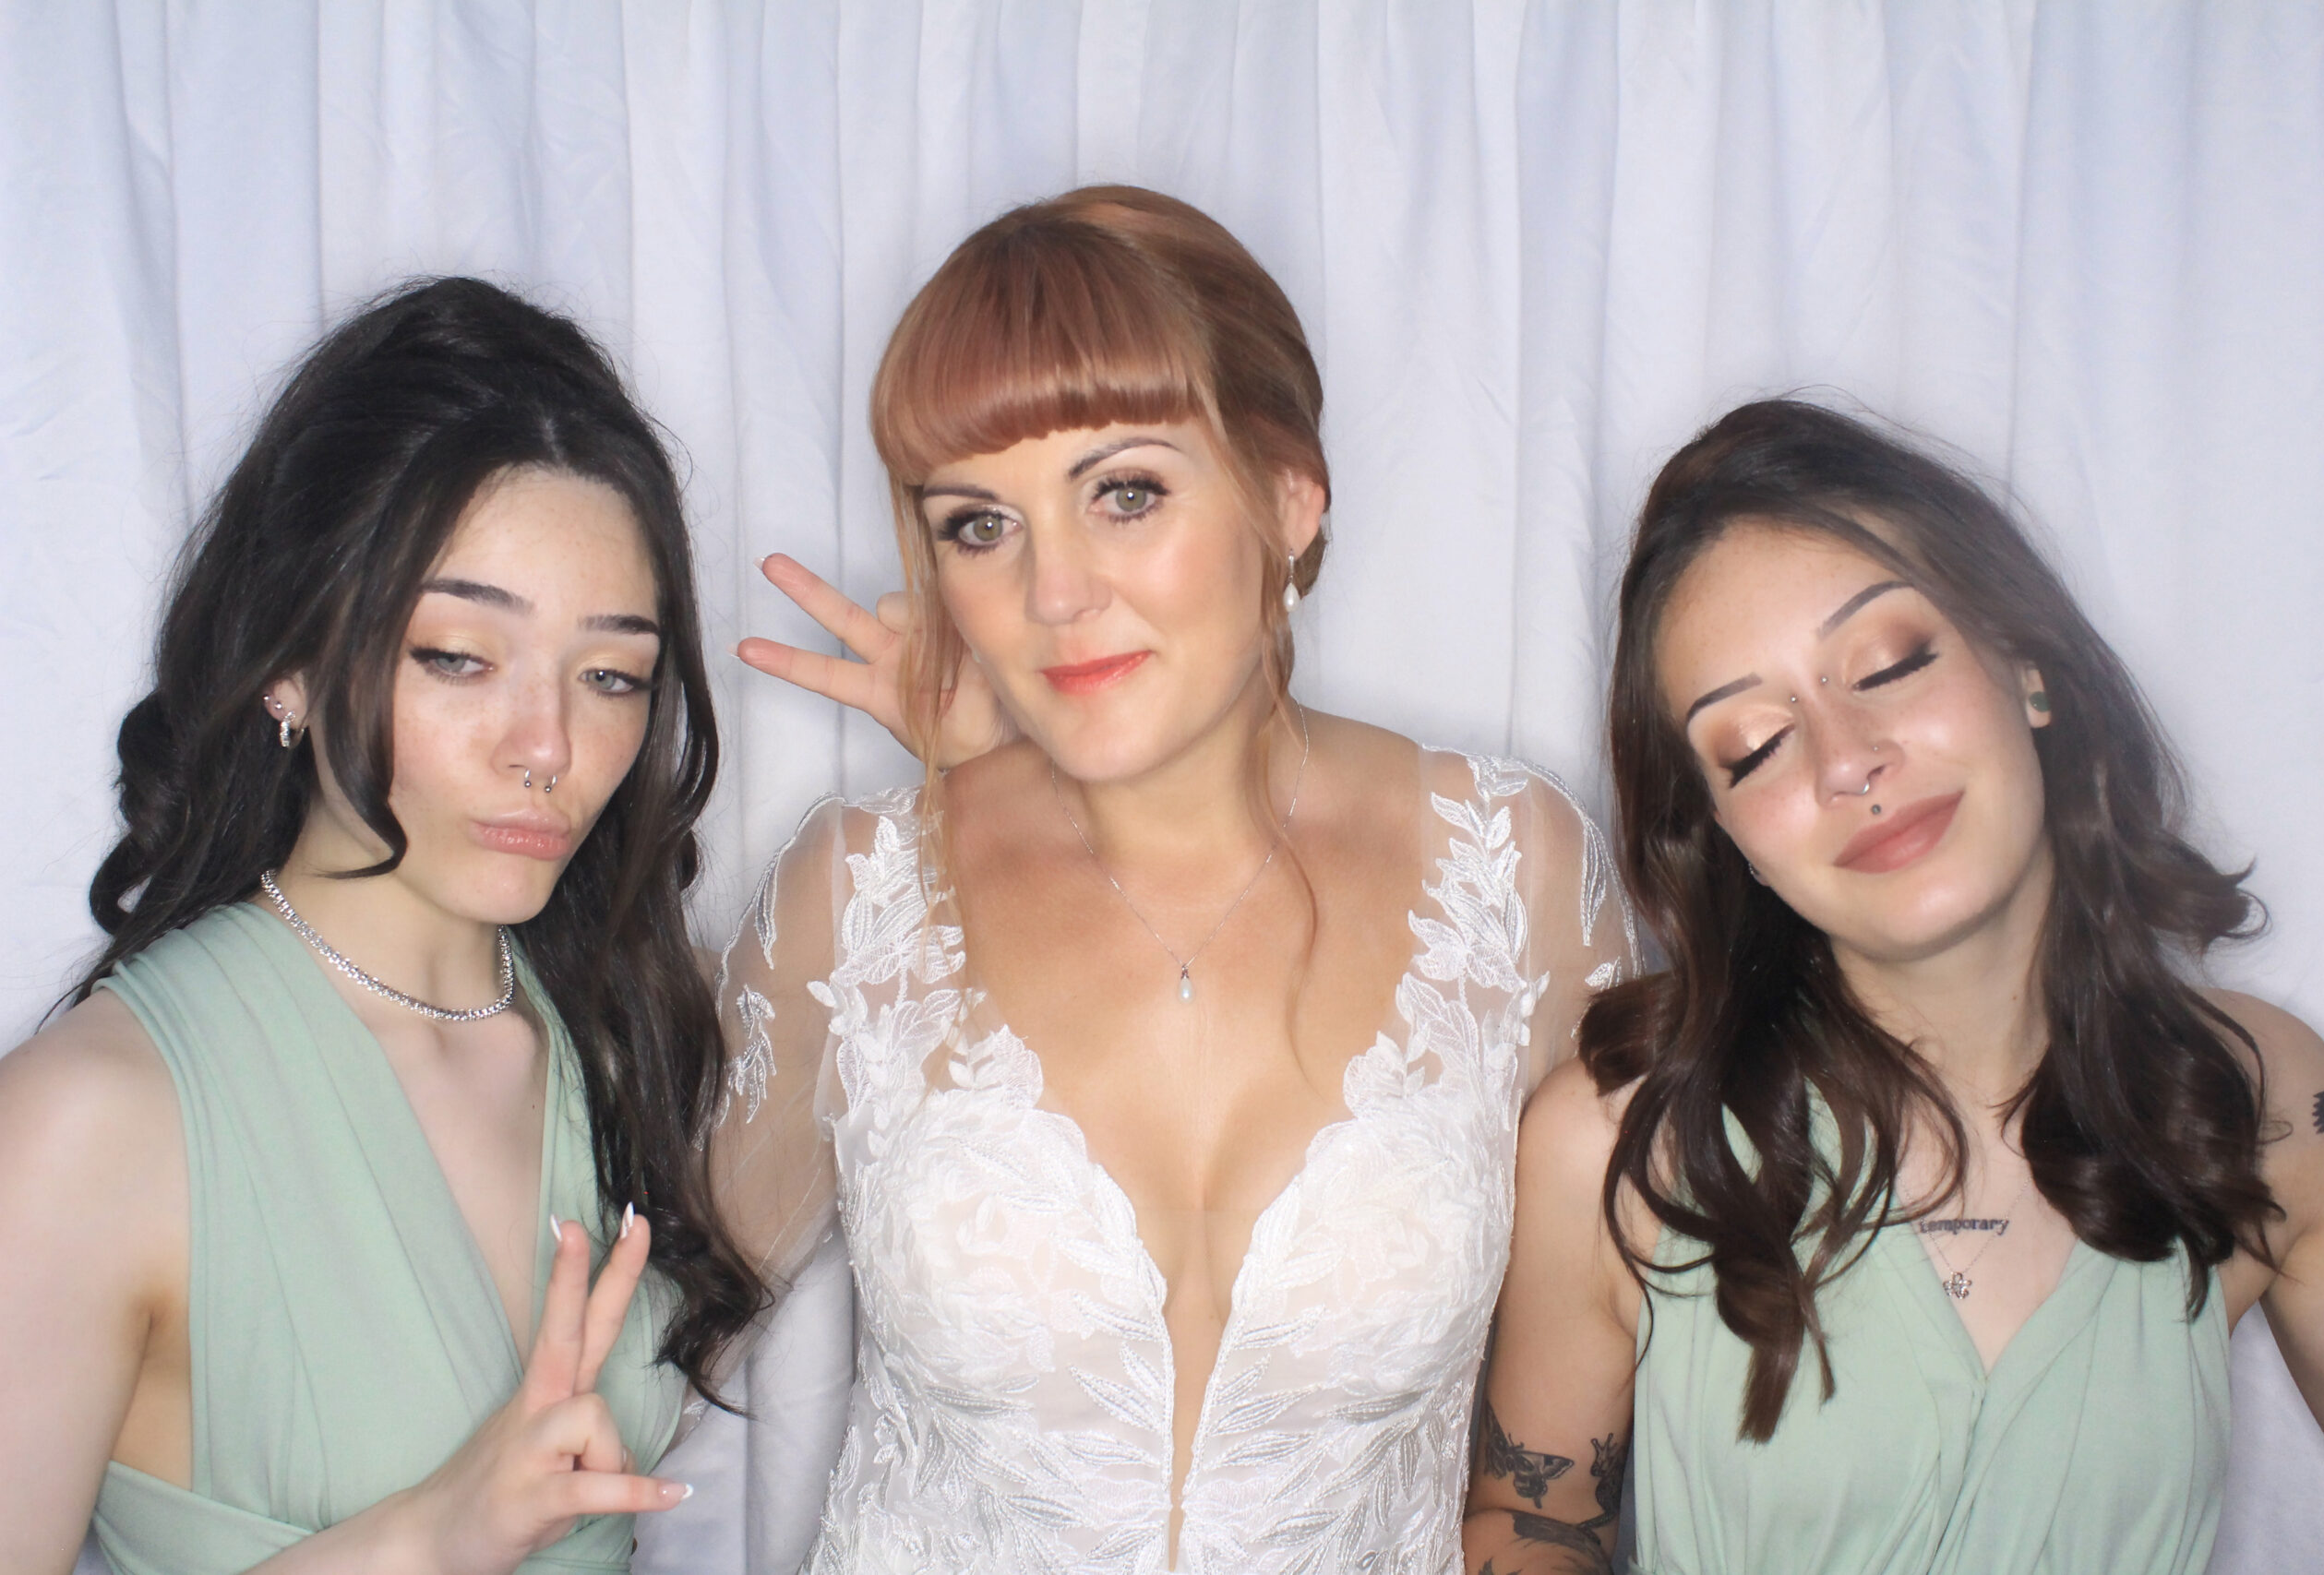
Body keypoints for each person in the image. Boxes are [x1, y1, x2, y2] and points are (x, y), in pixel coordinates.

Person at [706, 185, 1635, 1574]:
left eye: (1124, 493)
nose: (1053, 592)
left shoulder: (1517, 872)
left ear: (1288, 497)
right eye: (980, 525)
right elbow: (639, 1330)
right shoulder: (857, 899)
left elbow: (1552, 1487)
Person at [1466, 399, 2324, 1574]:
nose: (1848, 760)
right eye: (1753, 746)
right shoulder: (1616, 1139)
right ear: (1726, 835)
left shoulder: (2258, 1097)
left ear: (2027, 664)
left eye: (1887, 665)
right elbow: (1532, 1520)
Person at [0, 277, 765, 1575]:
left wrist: (985, 768)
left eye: (612, 674)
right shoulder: (93, 1120)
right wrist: (424, 1536)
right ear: (289, 663)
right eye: (459, 656)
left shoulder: (626, 1037)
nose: (548, 746)